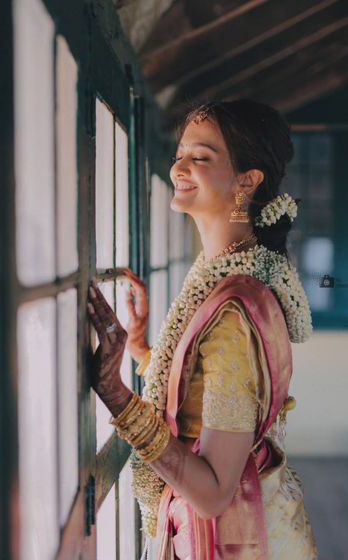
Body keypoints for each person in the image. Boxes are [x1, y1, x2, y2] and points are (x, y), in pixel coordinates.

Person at [87, 99, 318, 559]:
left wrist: (116, 395)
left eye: (202, 157)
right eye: (179, 155)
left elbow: (212, 495)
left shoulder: (232, 309)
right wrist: (143, 352)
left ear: (247, 181)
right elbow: (215, 389)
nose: (179, 167)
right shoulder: (244, 274)